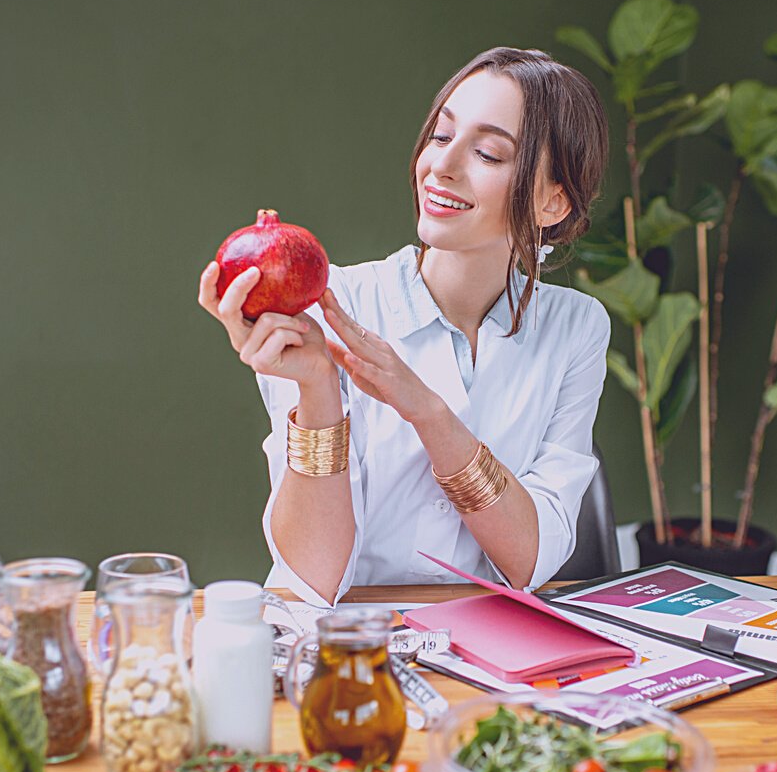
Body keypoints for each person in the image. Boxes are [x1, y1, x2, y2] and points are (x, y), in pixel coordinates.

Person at [198, 47, 611, 606]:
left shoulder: (575, 328)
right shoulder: (326, 305)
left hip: (489, 649)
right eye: (441, 137)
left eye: (488, 153)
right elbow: (315, 579)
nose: (442, 165)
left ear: (551, 202)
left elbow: (529, 561)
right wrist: (317, 387)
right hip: (343, 646)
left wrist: (427, 410)